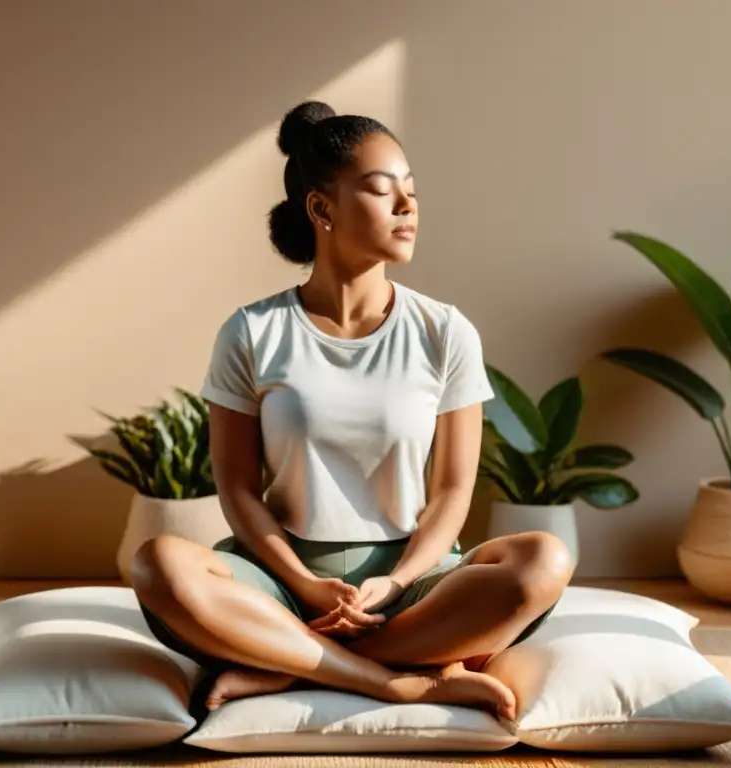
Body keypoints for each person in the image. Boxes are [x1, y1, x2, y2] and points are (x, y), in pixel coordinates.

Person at [131, 101, 572, 722]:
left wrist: (395, 584)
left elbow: (451, 492)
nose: (407, 207)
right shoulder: (252, 332)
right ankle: (390, 679)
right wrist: (305, 584)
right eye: (381, 190)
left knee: (544, 561)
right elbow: (235, 487)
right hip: (281, 583)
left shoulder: (445, 331)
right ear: (321, 208)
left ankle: (293, 665)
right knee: (161, 565)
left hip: (413, 585)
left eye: (411, 193)